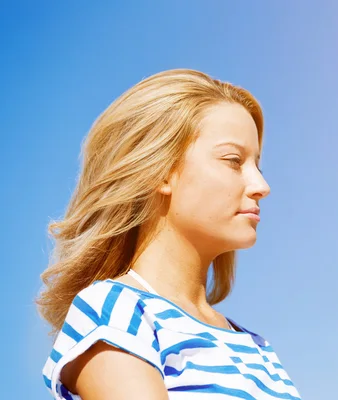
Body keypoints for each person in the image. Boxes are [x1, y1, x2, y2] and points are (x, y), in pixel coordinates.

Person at [37, 69, 301, 400]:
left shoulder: (257, 347)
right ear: (161, 171)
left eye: (258, 166)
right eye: (234, 161)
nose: (262, 186)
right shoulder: (117, 312)